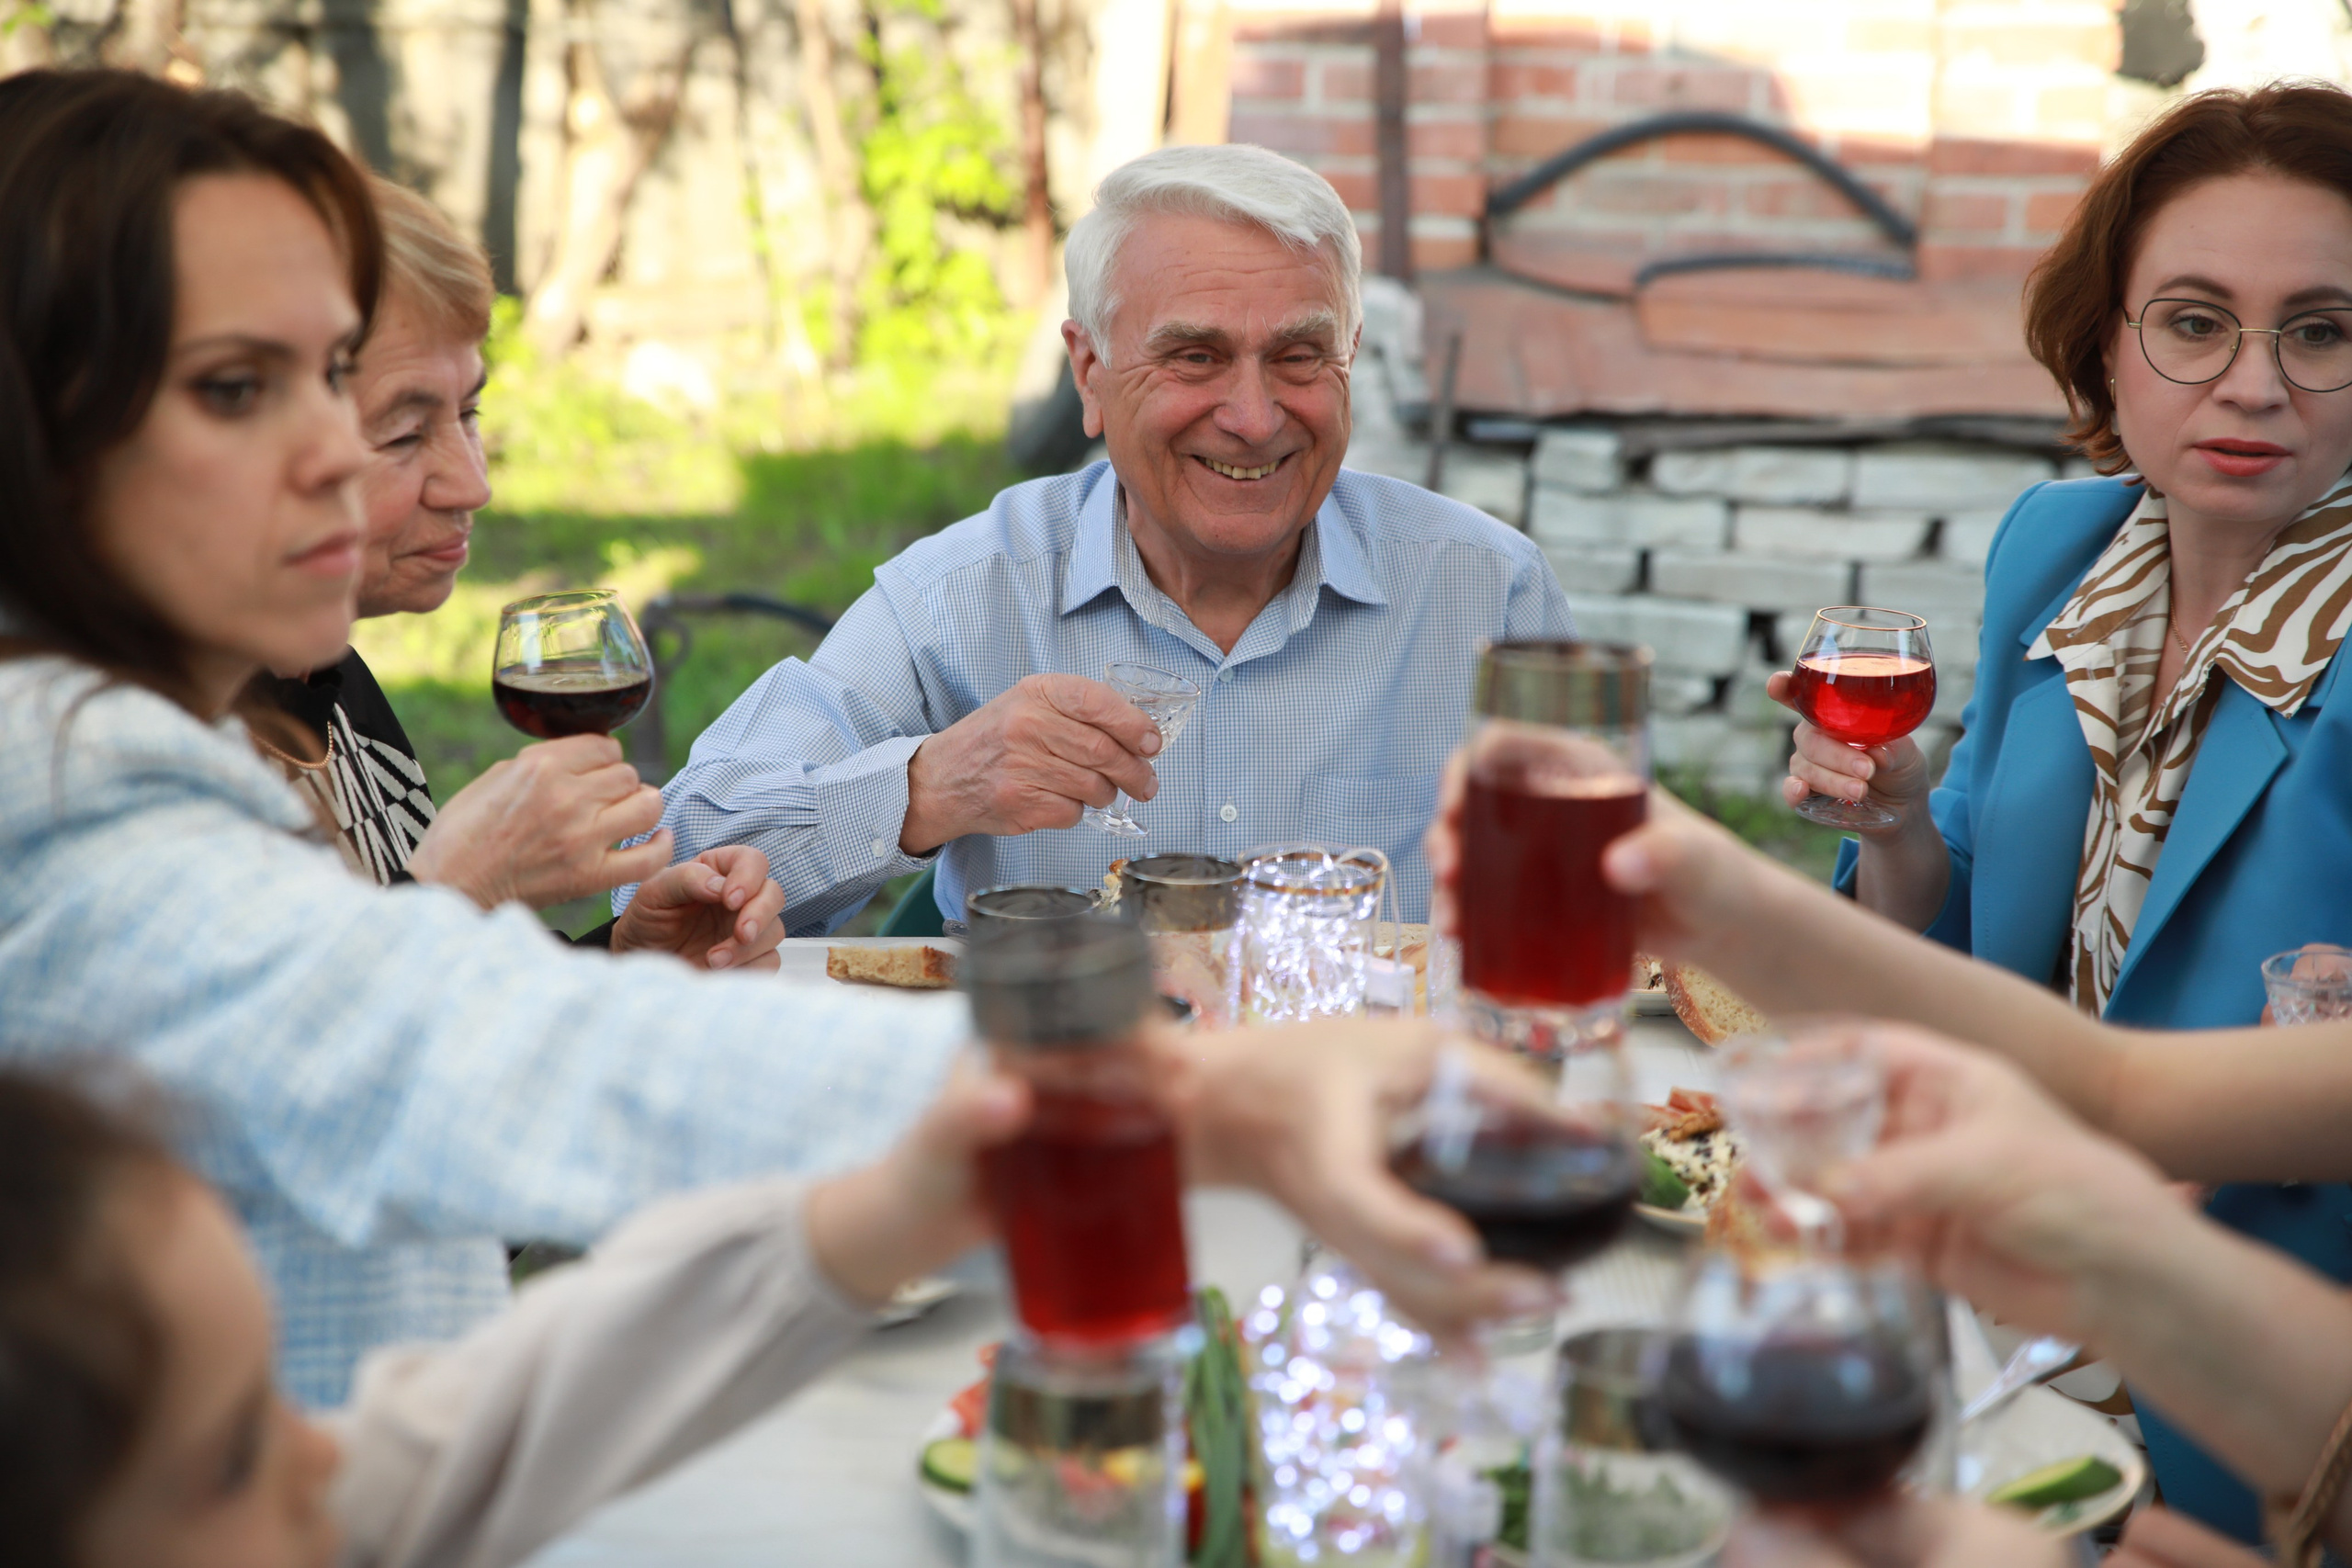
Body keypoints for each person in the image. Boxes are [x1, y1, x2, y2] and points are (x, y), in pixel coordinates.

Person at [0, 68, 1546, 1409]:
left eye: (376, 400)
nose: (367, 465)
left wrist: (623, 979)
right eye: (241, 389)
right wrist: (1155, 1087)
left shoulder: (221, 725)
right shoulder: (71, 807)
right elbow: (486, 1066)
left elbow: (417, 1369)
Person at [1764, 82, 2352, 1532]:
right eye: (2196, 319)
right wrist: (1900, 822)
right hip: (1987, 1316)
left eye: (2325, 329)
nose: (2255, 382)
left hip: (2247, 1398)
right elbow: (1965, 927)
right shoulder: (2063, 545)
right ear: (2109, 341)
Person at [636, 141, 1574, 934]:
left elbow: (1601, 895)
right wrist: (922, 791)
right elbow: (674, 860)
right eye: (1194, 357)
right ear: (1088, 372)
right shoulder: (967, 593)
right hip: (1056, 1107)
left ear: (1349, 361)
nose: (1253, 417)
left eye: (1297, 356)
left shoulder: (1487, 593)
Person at [258, 177, 769, 963]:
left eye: (469, 414)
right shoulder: (135, 749)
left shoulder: (326, 685)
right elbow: (259, 1065)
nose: (474, 484)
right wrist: (463, 882)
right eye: (402, 435)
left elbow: (432, 1025)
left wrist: (628, 956)